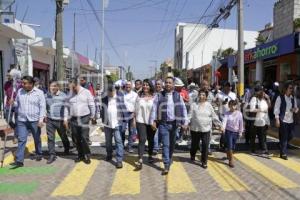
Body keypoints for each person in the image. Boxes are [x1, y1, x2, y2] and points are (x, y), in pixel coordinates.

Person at [150, 77, 188, 175]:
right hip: (163, 124)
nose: (167, 84)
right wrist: (153, 121)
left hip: (175, 124)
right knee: (166, 144)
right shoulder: (159, 96)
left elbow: (183, 108)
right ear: (164, 84)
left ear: (173, 85)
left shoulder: (178, 96)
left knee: (171, 144)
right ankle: (166, 164)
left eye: (169, 83)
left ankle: (169, 158)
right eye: (166, 82)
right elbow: (154, 109)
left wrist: (185, 122)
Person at [10, 76, 46, 168]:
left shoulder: (39, 93)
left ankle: (39, 153)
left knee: (37, 138)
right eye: (22, 83)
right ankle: (19, 160)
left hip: (35, 120)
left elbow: (42, 107)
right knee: (22, 139)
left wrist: (41, 120)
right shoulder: (20, 91)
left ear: (31, 84)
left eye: (25, 83)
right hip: (22, 120)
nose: (22, 84)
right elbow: (17, 104)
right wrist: (13, 103)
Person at [189, 89, 222, 169]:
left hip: (206, 129)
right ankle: (192, 154)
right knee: (194, 145)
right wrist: (186, 123)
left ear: (206, 97)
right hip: (195, 129)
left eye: (203, 95)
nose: (201, 96)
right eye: (200, 94)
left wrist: (219, 125)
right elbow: (189, 115)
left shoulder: (209, 105)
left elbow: (214, 116)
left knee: (205, 145)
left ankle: (204, 161)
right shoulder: (194, 105)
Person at [66, 78, 96, 164]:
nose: (71, 89)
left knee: (84, 137)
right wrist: (66, 118)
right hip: (73, 119)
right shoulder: (70, 93)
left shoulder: (86, 92)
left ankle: (87, 154)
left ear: (76, 85)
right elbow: (66, 106)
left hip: (84, 118)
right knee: (76, 138)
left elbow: (91, 104)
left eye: (72, 87)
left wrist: (93, 116)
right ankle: (80, 155)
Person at [101, 85, 127, 168]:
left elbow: (124, 111)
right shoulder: (104, 99)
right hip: (107, 124)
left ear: (114, 91)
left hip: (117, 124)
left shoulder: (119, 98)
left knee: (118, 142)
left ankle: (119, 160)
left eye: (111, 92)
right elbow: (102, 110)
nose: (109, 93)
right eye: (108, 92)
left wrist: (124, 122)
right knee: (108, 142)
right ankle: (109, 154)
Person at [45, 80, 70, 164]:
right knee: (50, 138)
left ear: (58, 87)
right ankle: (52, 155)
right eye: (51, 86)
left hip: (60, 121)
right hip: (50, 120)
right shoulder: (46, 96)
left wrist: (66, 119)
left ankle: (67, 147)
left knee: (63, 136)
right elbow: (43, 107)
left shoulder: (64, 96)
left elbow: (67, 108)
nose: (53, 88)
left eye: (55, 86)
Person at [274, 82, 299, 160]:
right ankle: (283, 153)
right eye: (290, 88)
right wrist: (277, 119)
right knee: (284, 138)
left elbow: (296, 109)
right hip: (283, 120)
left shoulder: (293, 98)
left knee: (291, 135)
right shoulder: (280, 97)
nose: (291, 90)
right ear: (285, 89)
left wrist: (295, 109)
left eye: (292, 88)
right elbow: (276, 109)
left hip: (291, 121)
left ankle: (281, 144)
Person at [135, 79, 156, 169]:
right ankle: (140, 159)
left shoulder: (155, 97)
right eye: (144, 85)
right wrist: (133, 120)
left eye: (147, 85)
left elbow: (157, 110)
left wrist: (155, 121)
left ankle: (150, 155)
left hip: (151, 122)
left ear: (150, 86)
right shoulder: (139, 96)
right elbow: (135, 109)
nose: (145, 86)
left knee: (151, 140)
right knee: (142, 139)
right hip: (140, 121)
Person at [249, 85, 271, 156]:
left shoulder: (264, 99)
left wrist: (268, 99)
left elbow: (269, 107)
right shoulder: (254, 99)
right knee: (254, 136)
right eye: (262, 91)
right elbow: (251, 110)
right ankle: (253, 150)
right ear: (258, 92)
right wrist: (261, 110)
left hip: (263, 120)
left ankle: (264, 150)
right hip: (255, 121)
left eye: (263, 91)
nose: (263, 92)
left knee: (263, 136)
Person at [222, 100, 243, 168]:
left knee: (233, 146)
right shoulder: (227, 113)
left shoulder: (239, 113)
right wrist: (223, 128)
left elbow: (241, 124)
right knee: (230, 146)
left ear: (236, 106)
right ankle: (231, 160)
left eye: (234, 105)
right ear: (229, 106)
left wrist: (240, 132)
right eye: (231, 106)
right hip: (228, 132)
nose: (233, 107)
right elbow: (224, 121)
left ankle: (228, 153)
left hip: (236, 132)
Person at [122, 81, 138, 153]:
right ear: (125, 86)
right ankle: (121, 146)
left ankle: (130, 146)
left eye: (129, 85)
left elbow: (137, 105)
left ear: (131, 86)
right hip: (123, 115)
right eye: (126, 85)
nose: (128, 86)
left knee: (131, 131)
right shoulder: (122, 94)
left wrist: (134, 115)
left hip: (132, 114)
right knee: (122, 130)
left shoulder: (135, 95)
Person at [153, 79, 164, 155]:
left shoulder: (165, 94)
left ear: (162, 85)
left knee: (161, 133)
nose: (157, 85)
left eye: (159, 84)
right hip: (155, 117)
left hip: (163, 117)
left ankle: (159, 144)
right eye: (156, 84)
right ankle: (155, 148)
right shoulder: (153, 94)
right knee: (155, 133)